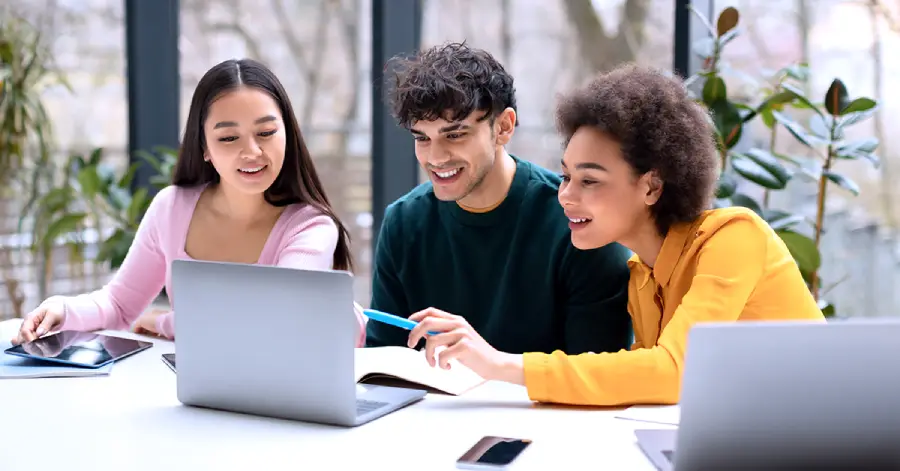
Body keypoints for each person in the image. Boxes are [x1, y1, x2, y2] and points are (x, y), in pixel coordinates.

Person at [407, 63, 826, 406]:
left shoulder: (735, 237)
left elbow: (673, 372)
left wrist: (498, 363)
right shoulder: (641, 275)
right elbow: (638, 382)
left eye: (589, 181)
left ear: (651, 186)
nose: (565, 196)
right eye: (567, 176)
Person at [12, 58, 367, 347]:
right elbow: (119, 305)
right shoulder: (172, 208)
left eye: (267, 132)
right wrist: (62, 308)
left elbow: (270, 316)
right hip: (197, 398)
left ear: (288, 134)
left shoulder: (311, 227)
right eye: (229, 137)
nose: (253, 151)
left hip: (282, 403)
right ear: (205, 148)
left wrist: (166, 322)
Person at [366, 42, 633, 358]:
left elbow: (596, 378)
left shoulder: (577, 223)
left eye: (455, 135)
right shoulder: (403, 222)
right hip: (427, 408)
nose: (435, 158)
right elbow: (382, 363)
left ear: (503, 127)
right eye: (422, 138)